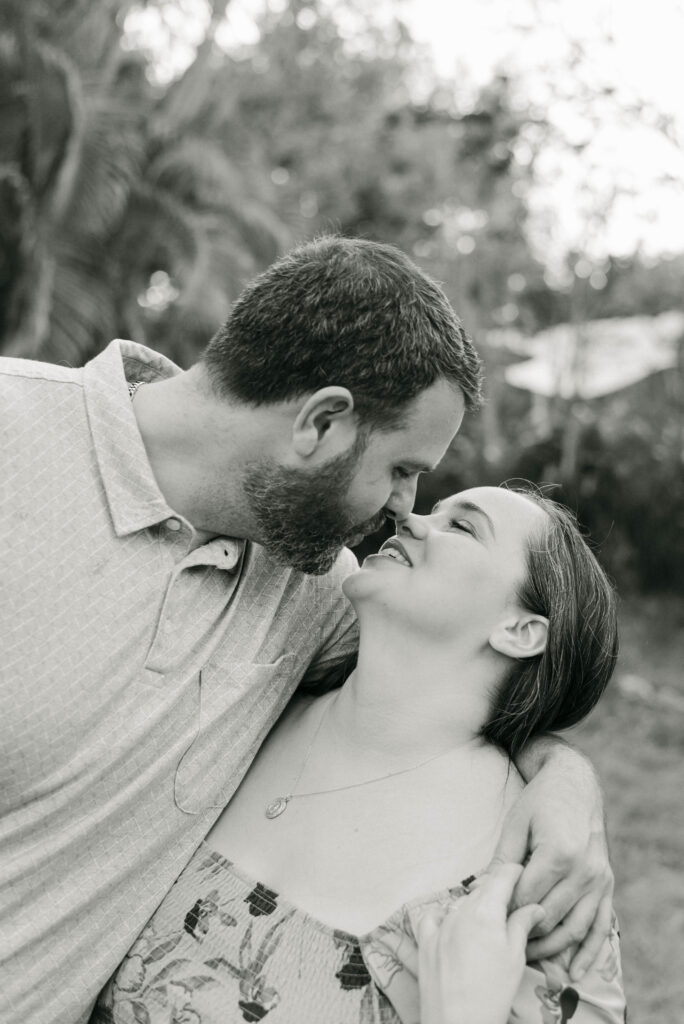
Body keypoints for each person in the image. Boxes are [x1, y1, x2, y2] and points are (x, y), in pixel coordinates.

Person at [1, 237, 610, 1024]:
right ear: (321, 422)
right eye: (401, 469)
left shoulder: (316, 590)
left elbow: (450, 687)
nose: (404, 509)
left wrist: (567, 788)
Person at [92, 485, 626, 1024]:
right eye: (432, 510)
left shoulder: (535, 883)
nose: (409, 519)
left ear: (520, 631)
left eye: (462, 527)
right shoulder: (248, 708)